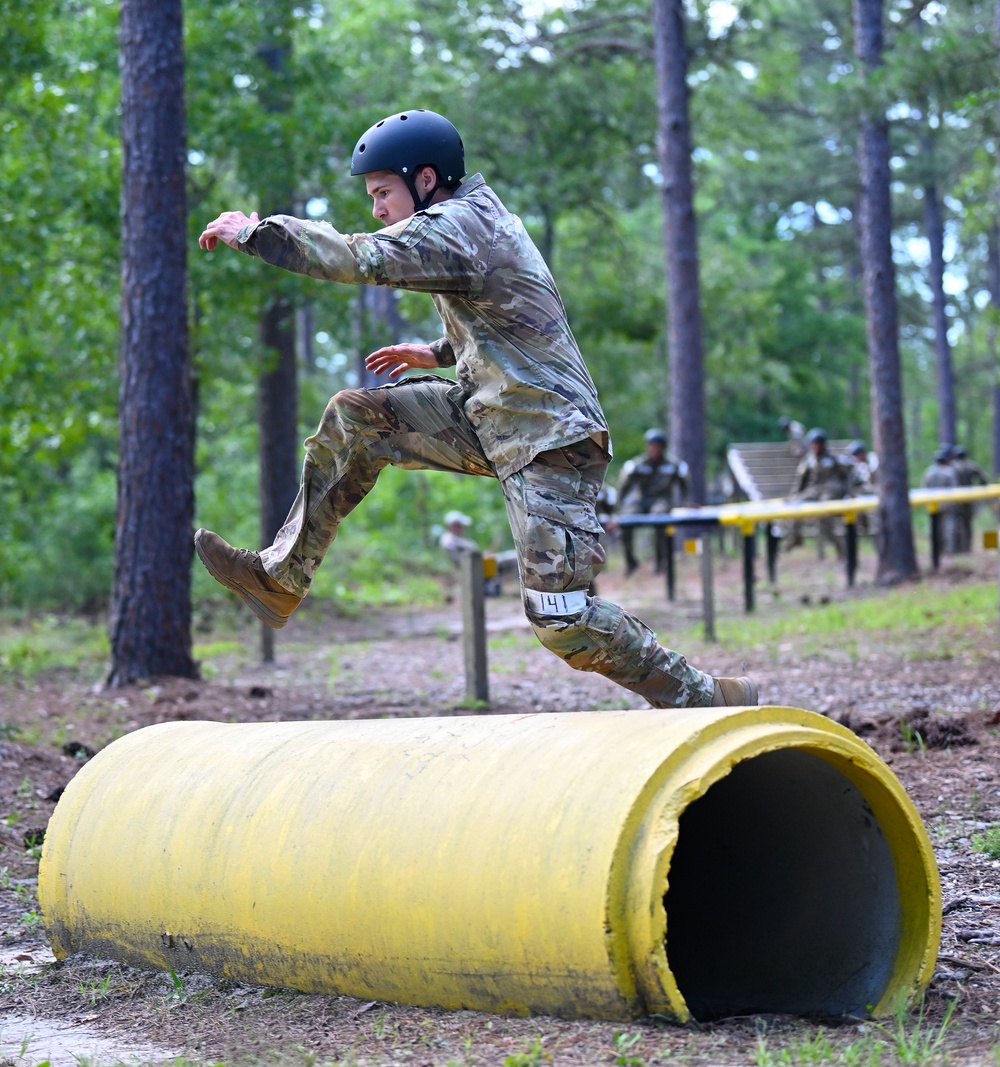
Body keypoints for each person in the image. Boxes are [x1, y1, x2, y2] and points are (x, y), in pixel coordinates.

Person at [194, 109, 755, 709]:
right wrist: (439, 350)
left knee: (562, 620)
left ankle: (702, 695)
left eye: (383, 192)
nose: (377, 208)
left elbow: (359, 257)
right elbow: (515, 316)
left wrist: (256, 232)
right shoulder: (474, 225)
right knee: (357, 416)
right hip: (490, 416)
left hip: (549, 438)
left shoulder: (460, 225)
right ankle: (280, 580)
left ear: (427, 179)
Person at [616, 429, 688, 576]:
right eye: (651, 445)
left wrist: (686, 502)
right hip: (642, 500)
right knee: (625, 520)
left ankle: (660, 560)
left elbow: (685, 484)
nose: (653, 449)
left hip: (662, 499)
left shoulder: (673, 465)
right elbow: (624, 486)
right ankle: (631, 562)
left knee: (659, 516)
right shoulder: (638, 464)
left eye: (657, 445)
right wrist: (619, 507)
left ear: (663, 447)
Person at [786, 428, 851, 558]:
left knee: (824, 517)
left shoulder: (833, 458)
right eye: (813, 443)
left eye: (818, 443)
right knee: (795, 505)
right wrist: (793, 496)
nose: (815, 446)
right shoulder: (809, 460)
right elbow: (801, 481)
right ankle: (796, 537)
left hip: (831, 492)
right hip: (815, 491)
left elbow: (847, 473)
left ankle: (840, 547)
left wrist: (848, 492)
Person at [949, 445, 988, 553]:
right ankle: (967, 548)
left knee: (954, 523)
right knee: (967, 524)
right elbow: (983, 478)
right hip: (969, 499)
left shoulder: (951, 467)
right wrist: (980, 491)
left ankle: (955, 548)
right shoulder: (971, 465)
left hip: (955, 499)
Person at [921, 447, 958, 554]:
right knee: (948, 527)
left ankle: (937, 549)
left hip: (933, 504)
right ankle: (949, 549)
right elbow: (954, 489)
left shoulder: (928, 472)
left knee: (935, 528)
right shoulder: (949, 472)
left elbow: (924, 487)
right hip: (947, 504)